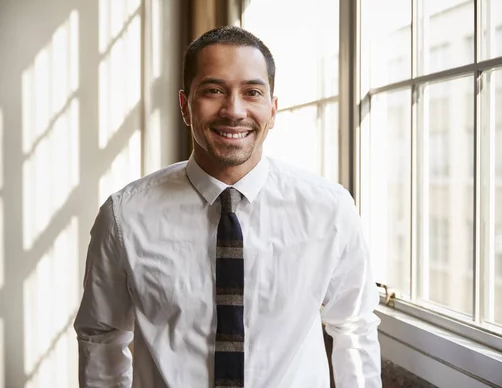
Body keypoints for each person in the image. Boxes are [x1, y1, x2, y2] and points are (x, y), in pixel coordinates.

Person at [74, 26, 382, 388]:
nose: (234, 110)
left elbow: (354, 327)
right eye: (213, 90)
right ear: (186, 107)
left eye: (252, 92)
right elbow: (102, 336)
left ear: (273, 109)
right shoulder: (124, 216)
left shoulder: (330, 211)